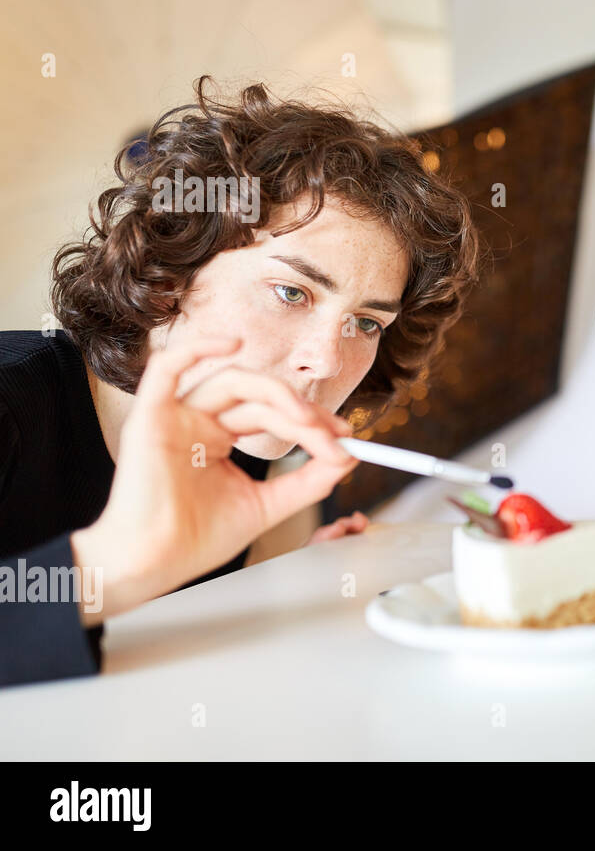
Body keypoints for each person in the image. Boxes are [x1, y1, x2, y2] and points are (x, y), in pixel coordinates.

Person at [0, 78, 480, 687]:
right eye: (291, 292)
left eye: (365, 322)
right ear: (171, 272)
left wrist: (295, 578)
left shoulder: (272, 459)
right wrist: (106, 570)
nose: (327, 362)